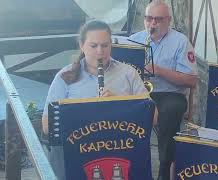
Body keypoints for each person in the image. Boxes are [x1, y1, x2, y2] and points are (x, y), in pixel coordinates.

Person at [42, 20, 149, 180]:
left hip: (120, 146)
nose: (100, 52)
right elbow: (47, 126)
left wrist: (120, 102)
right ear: (82, 45)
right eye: (93, 46)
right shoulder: (64, 76)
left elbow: (152, 118)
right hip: (81, 148)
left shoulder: (129, 73)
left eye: (105, 45)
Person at [129, 1, 198, 179]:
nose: (152, 24)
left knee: (169, 111)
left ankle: (164, 170)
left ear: (168, 20)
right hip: (140, 92)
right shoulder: (134, 40)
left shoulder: (181, 42)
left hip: (170, 94)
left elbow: (191, 81)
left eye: (158, 19)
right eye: (149, 18)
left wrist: (158, 70)